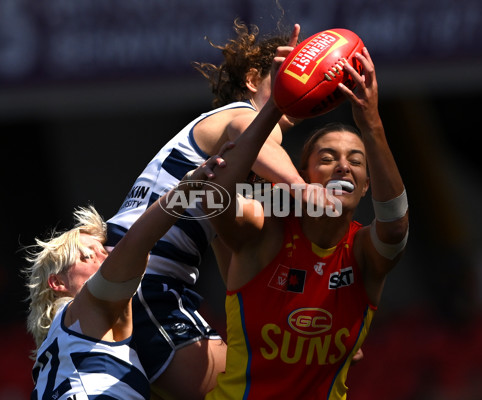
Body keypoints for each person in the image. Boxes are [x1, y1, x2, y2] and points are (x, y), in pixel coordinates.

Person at [103, 20, 305, 399]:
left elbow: (230, 259)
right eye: (287, 76)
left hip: (136, 282)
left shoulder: (230, 172)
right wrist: (304, 191)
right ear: (251, 80)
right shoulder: (244, 117)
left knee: (260, 375)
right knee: (258, 385)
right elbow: (256, 137)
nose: (299, 88)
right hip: (146, 283)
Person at [203, 46, 409, 399]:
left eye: (356, 162)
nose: (343, 166)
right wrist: (275, 107)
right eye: (328, 158)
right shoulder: (266, 234)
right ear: (303, 176)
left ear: (364, 187)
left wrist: (371, 123)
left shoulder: (362, 253)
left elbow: (394, 227)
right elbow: (216, 204)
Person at [23, 155, 227, 400]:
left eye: (105, 250)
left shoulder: (59, 349)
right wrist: (186, 187)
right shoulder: (86, 306)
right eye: (89, 255)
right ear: (58, 283)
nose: (106, 257)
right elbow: (136, 243)